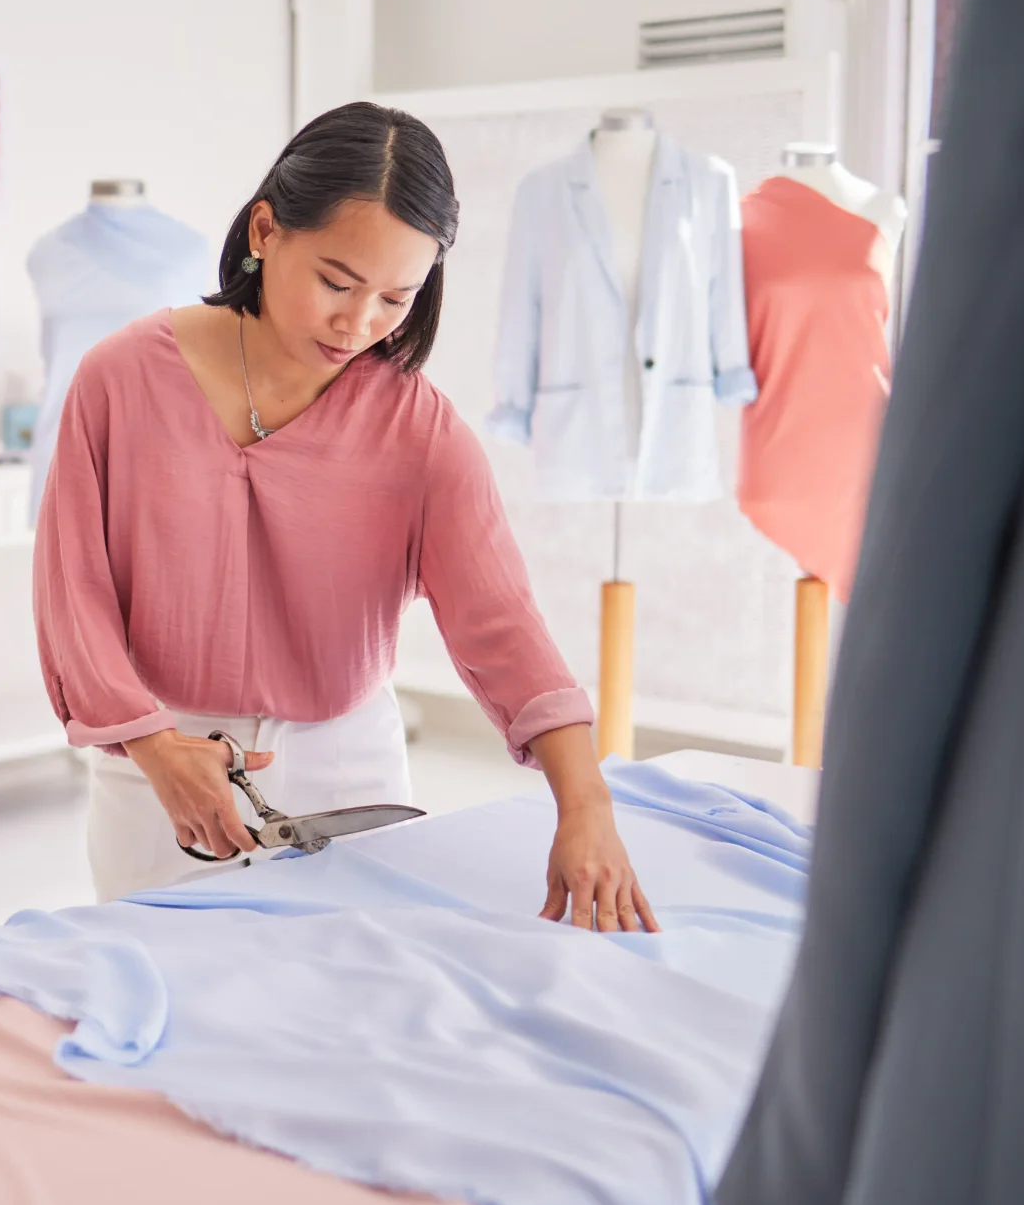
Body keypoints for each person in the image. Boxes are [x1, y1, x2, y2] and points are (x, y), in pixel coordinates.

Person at [34, 102, 656, 927]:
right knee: (168, 1014)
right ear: (265, 230)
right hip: (159, 765)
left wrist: (586, 803)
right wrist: (152, 747)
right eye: (336, 281)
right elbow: (72, 591)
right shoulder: (117, 380)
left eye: (396, 298)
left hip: (347, 771)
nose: (359, 323)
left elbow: (501, 622)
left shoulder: (418, 428)